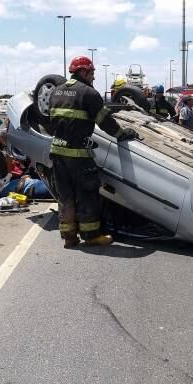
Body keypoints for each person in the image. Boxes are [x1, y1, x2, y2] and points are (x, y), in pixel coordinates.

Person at [49, 56, 139, 248]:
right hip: (78, 155)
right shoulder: (88, 93)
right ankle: (91, 236)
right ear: (82, 72)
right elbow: (104, 121)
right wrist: (121, 134)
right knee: (87, 193)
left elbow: (50, 122)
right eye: (91, 73)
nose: (93, 77)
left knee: (65, 196)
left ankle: (69, 237)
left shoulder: (56, 92)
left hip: (57, 152)